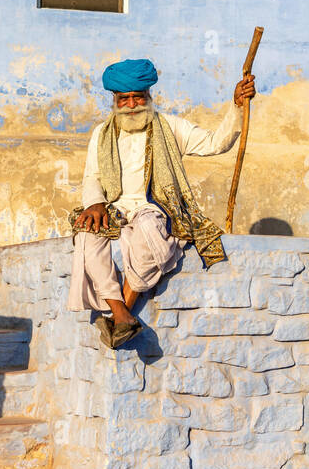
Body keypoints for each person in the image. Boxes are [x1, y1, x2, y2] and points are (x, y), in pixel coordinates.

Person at [68, 58, 256, 348]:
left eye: (137, 97)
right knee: (86, 236)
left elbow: (217, 143)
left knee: (149, 234)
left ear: (148, 97)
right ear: (115, 100)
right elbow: (92, 176)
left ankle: (120, 315)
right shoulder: (101, 134)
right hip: (115, 208)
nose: (131, 104)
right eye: (124, 98)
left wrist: (236, 106)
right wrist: (95, 204)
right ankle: (121, 314)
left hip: (156, 206)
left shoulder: (171, 127)